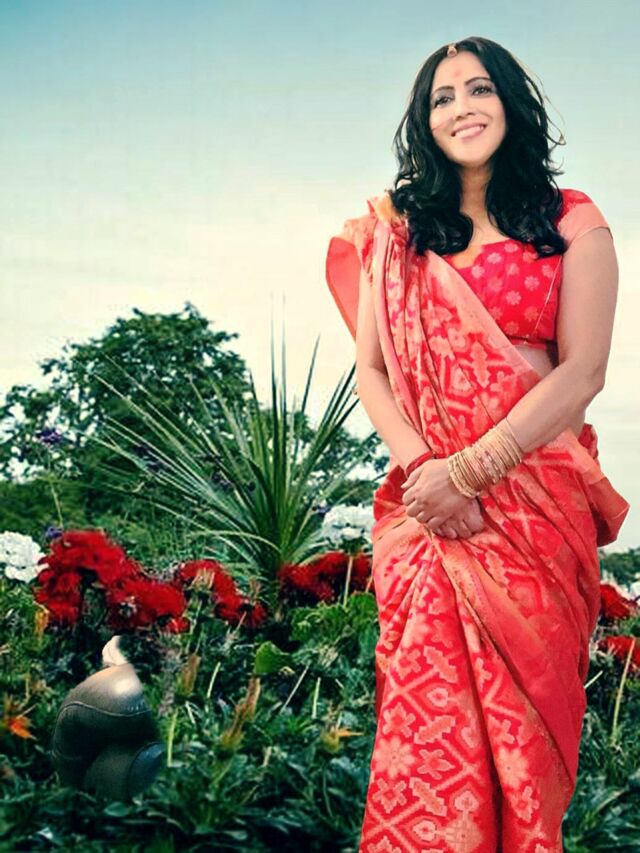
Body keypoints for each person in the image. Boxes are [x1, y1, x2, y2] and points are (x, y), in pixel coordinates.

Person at [325, 36, 630, 853]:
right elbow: (372, 370)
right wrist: (428, 471)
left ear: (512, 103)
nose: (462, 107)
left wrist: (471, 469)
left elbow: (584, 370)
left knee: (524, 752)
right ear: (424, 121)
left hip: (536, 511)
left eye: (479, 88)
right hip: (433, 516)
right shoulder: (398, 236)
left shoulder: (572, 221)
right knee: (429, 742)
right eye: (443, 96)